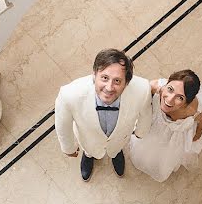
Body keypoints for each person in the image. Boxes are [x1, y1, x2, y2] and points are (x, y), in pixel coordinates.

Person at [54, 48, 152, 181]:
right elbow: (63, 126)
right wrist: (69, 148)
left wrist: (141, 131)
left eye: (117, 81)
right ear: (94, 75)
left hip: (120, 138)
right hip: (89, 139)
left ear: (127, 83)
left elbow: (146, 113)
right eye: (105, 78)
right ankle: (88, 156)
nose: (109, 87)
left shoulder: (143, 90)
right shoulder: (69, 94)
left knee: (116, 148)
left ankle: (116, 153)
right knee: (89, 149)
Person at [129, 69, 202, 183]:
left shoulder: (193, 111)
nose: (169, 100)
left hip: (174, 135)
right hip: (153, 124)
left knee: (166, 154)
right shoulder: (155, 87)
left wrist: (199, 131)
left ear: (187, 102)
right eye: (170, 89)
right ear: (166, 84)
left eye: (180, 97)